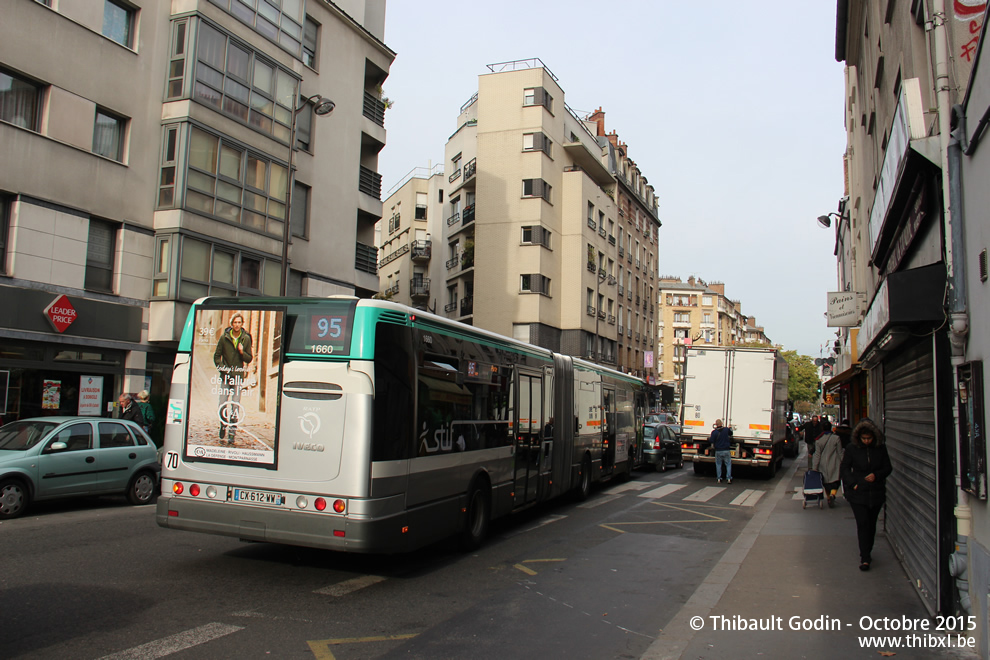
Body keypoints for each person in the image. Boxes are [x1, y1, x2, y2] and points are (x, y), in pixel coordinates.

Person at [840, 418, 893, 571]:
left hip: (876, 492)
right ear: (859, 438)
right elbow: (845, 468)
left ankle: (868, 550)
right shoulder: (852, 449)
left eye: (869, 438)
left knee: (871, 525)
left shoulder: (880, 449)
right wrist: (853, 483)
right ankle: (865, 557)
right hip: (858, 493)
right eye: (864, 439)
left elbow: (888, 468)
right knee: (862, 524)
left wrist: (876, 475)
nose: (867, 441)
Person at [213, 313, 253, 443]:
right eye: (235, 322)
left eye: (239, 322)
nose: (237, 325)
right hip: (226, 376)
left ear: (242, 324)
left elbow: (249, 358)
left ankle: (232, 432)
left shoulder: (246, 339)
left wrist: (242, 352)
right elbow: (216, 356)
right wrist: (223, 368)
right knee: (222, 403)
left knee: (235, 405)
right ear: (232, 323)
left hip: (237, 377)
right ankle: (223, 425)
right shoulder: (224, 338)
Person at [812, 420, 843, 507]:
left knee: (826, 483)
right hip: (835, 463)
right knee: (836, 482)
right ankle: (833, 495)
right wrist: (844, 463)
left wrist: (815, 468)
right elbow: (840, 452)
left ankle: (829, 498)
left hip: (823, 464)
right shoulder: (836, 438)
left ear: (822, 428)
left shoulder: (818, 440)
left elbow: (817, 455)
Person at [709, 419, 733, 484]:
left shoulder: (714, 432)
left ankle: (719, 478)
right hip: (726, 450)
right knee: (728, 464)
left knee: (718, 464)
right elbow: (731, 433)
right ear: (722, 423)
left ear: (716, 425)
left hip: (718, 450)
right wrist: (730, 428)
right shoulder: (726, 430)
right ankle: (728, 478)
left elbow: (711, 440)